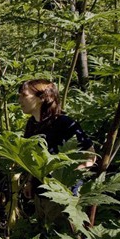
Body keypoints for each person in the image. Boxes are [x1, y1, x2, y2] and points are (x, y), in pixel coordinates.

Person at [17, 79, 96, 230]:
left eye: (24, 95)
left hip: (63, 194)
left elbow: (90, 154)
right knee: (47, 234)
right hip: (40, 192)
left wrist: (69, 175)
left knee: (67, 235)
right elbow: (33, 158)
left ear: (42, 97)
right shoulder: (31, 124)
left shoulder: (64, 123)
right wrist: (29, 181)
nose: (20, 100)